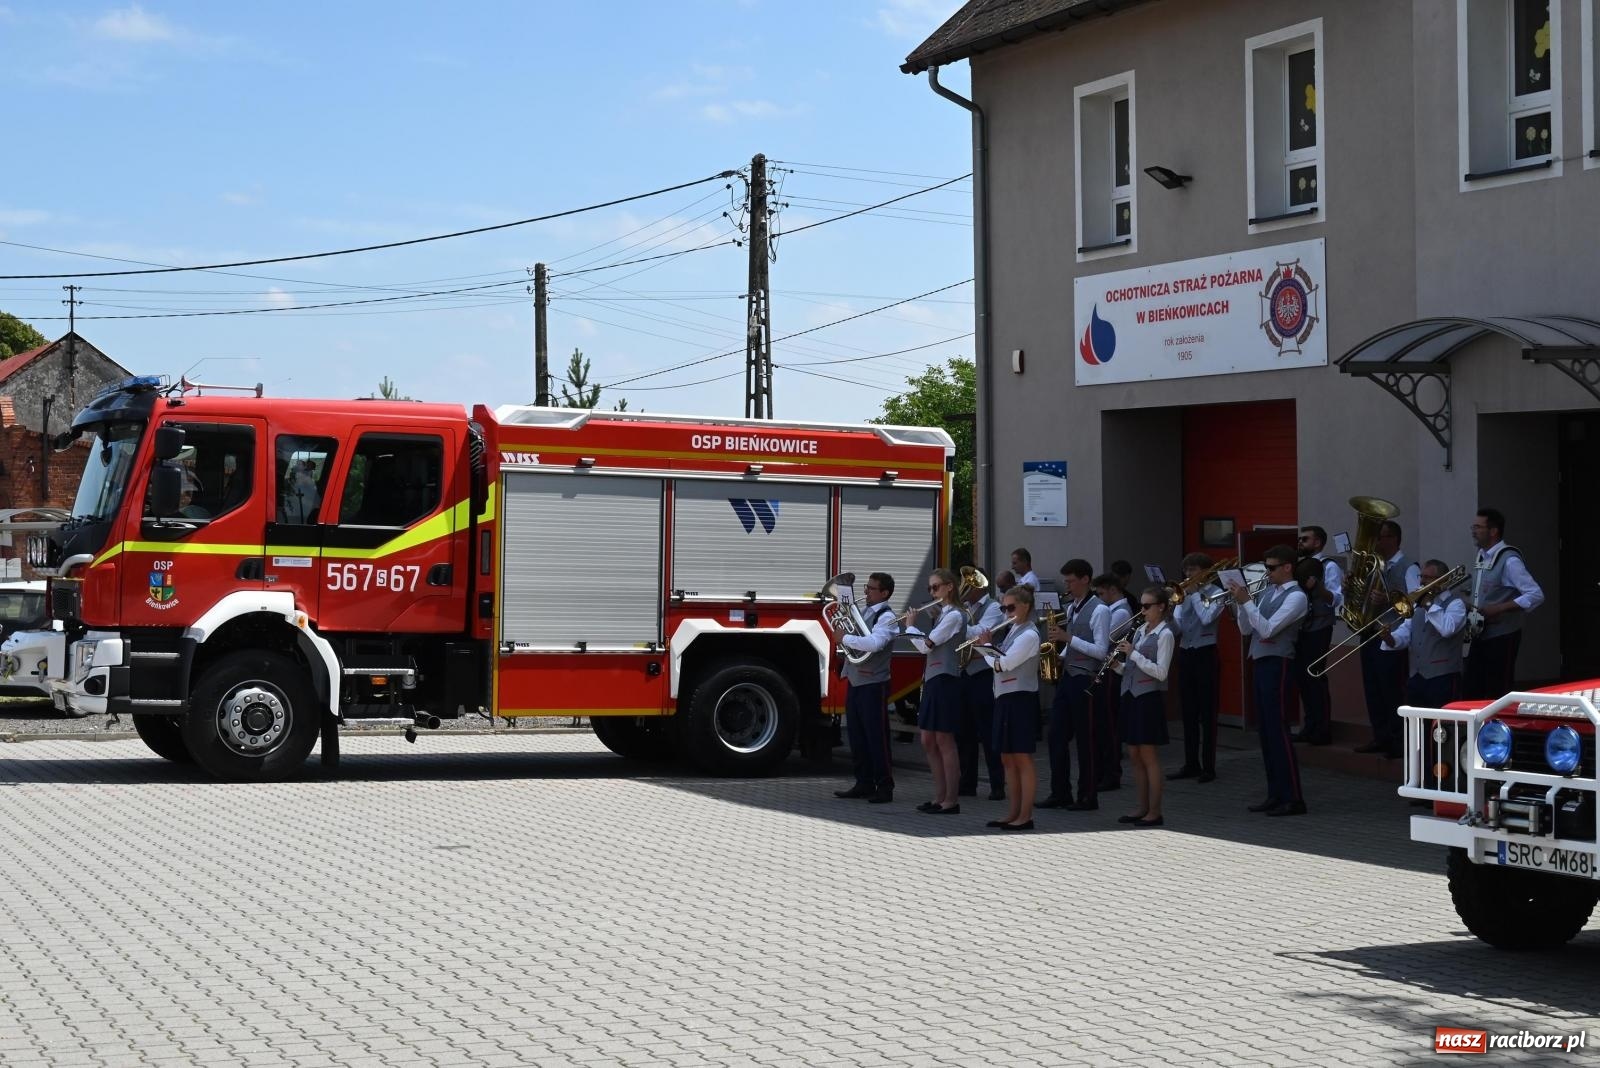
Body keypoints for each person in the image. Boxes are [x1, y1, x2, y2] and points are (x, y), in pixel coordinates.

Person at [1232, 544, 1308, 817]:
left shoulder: (1296, 597)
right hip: (1261, 661)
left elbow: (1267, 628)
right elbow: (1246, 629)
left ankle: (1293, 797)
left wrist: (1247, 602)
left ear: (1288, 567)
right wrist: (1241, 604)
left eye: (1272, 568)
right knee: (1265, 732)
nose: (1268, 572)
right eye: (1266, 567)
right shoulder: (1267, 592)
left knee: (1278, 730)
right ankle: (1275, 793)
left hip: (1280, 663)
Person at [1044, 558, 1108, 811]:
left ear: (1085, 579)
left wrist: (1067, 637)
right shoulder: (1072, 608)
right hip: (1069, 677)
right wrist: (1058, 658)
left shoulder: (1100, 609)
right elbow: (1073, 645)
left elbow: (1102, 651)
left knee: (1086, 740)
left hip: (1086, 680)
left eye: (1071, 581)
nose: (1067, 586)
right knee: (1055, 736)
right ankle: (1060, 792)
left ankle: (1088, 796)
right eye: (1066, 581)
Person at [1463, 507, 1544, 700]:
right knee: (1474, 688)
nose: (1473, 531)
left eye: (1478, 527)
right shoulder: (1482, 555)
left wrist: (1500, 607)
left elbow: (1535, 594)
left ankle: (1498, 730)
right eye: (1473, 527)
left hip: (1502, 636)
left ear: (1493, 531)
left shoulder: (1509, 560)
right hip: (1480, 634)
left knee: (1498, 690)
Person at [977, 584, 1040, 831]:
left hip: (1020, 699)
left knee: (1022, 758)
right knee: (1007, 758)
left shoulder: (1029, 635)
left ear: (1025, 606)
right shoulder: (1014, 629)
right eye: (1003, 608)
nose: (1006, 612)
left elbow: (1004, 664)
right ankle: (1012, 812)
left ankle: (1026, 816)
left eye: (1011, 607)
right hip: (1005, 698)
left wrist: (984, 649)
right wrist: (990, 646)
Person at [1356, 520, 1421, 757]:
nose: (1376, 542)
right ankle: (1380, 736)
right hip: (1370, 632)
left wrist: (1387, 601)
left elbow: (1414, 601)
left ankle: (1397, 741)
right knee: (1373, 689)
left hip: (1393, 635)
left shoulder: (1409, 568)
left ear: (1393, 539)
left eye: (1380, 537)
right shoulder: (1375, 566)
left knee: (1391, 690)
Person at [833, 572, 900, 803]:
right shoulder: (864, 612)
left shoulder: (887, 617)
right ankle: (863, 782)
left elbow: (874, 643)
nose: (866, 592)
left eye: (871, 589)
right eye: (866, 587)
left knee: (876, 737)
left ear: (884, 593)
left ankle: (884, 786)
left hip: (874, 682)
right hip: (855, 679)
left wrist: (845, 639)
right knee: (857, 735)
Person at [1114, 586, 1176, 827]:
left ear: (1161, 607)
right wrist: (1116, 666)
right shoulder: (1140, 630)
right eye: (1141, 605)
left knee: (1148, 756)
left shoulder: (1166, 634)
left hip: (1148, 698)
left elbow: (1161, 673)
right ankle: (1141, 807)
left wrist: (1134, 653)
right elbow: (1131, 668)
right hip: (1130, 695)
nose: (1142, 611)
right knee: (1134, 755)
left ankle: (1155, 811)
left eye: (1147, 606)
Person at [906, 568, 965, 815]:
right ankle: (939, 796)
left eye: (936, 587)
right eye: (930, 589)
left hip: (946, 679)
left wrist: (910, 627)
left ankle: (951, 800)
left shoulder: (955, 615)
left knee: (944, 740)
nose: (933, 592)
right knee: (927, 739)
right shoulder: (944, 614)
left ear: (950, 586)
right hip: (933, 679)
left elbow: (926, 646)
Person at [1383, 559, 1468, 711]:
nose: (1422, 581)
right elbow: (1406, 632)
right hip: (1416, 677)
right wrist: (1389, 638)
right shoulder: (1418, 605)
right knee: (1416, 727)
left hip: (1443, 677)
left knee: (1442, 728)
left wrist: (1429, 605)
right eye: (1421, 577)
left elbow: (1447, 629)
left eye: (1427, 578)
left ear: (1443, 580)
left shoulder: (1456, 604)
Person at [1168, 552, 1224, 782]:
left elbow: (1206, 618)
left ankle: (1209, 767)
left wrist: (1195, 595)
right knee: (1188, 712)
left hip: (1206, 654)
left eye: (1193, 570)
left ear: (1205, 571)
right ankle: (1190, 763)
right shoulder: (1184, 595)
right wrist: (1167, 615)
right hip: (1186, 654)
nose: (1188, 574)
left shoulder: (1217, 593)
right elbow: (1178, 628)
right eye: (1186, 570)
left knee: (1207, 713)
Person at [957, 570, 1007, 800]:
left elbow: (978, 634)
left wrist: (953, 620)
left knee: (987, 731)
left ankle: (998, 784)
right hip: (965, 673)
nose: (965, 589)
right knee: (964, 731)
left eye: (969, 585)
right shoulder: (963, 610)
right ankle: (967, 783)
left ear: (980, 587)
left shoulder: (995, 608)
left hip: (984, 673)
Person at [1293, 525, 1343, 745]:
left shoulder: (1329, 566)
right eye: (1300, 539)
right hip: (1301, 628)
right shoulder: (1298, 564)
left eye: (1305, 539)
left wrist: (1319, 588)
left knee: (1315, 676)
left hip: (1320, 627)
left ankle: (1322, 729)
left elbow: (1336, 599)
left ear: (1318, 543)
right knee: (1303, 678)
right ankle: (1310, 725)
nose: (1300, 542)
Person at [1090, 572, 1130, 792]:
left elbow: (1104, 639)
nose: (1099, 597)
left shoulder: (1121, 612)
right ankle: (1103, 770)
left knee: (1109, 725)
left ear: (1113, 590)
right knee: (1101, 725)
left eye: (1101, 593)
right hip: (1106, 670)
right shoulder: (1110, 610)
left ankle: (1112, 773)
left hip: (1113, 671)